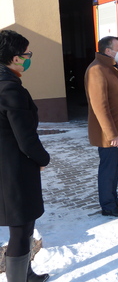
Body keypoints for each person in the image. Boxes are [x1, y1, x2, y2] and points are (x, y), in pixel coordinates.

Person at [0, 30, 50, 281]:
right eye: (26, 53)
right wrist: (43, 159)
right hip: (15, 171)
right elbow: (26, 138)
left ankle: (26, 275)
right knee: (20, 231)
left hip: (7, 167)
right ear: (15, 57)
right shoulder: (9, 89)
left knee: (24, 226)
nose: (29, 58)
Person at [85, 36, 118, 218]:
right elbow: (100, 107)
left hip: (117, 128)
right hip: (107, 133)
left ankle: (113, 197)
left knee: (115, 166)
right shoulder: (96, 69)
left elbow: (117, 99)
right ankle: (108, 206)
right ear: (108, 51)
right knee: (108, 169)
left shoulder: (112, 67)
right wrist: (112, 134)